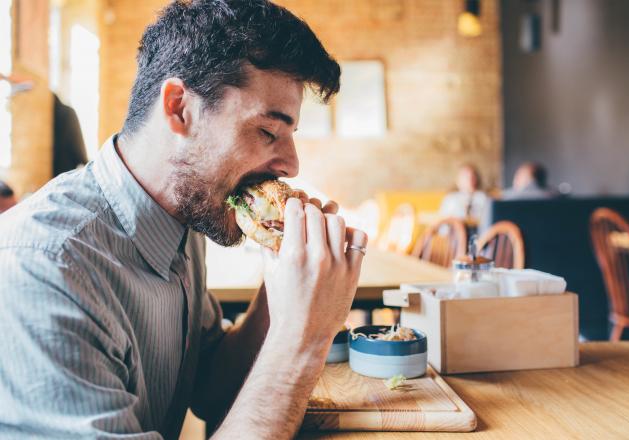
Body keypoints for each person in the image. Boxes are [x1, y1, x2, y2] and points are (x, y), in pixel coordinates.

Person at [0, 1, 367, 439]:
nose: (291, 164)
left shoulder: (184, 216)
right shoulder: (44, 269)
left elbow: (212, 389)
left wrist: (286, 285)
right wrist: (304, 339)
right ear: (178, 108)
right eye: (269, 131)